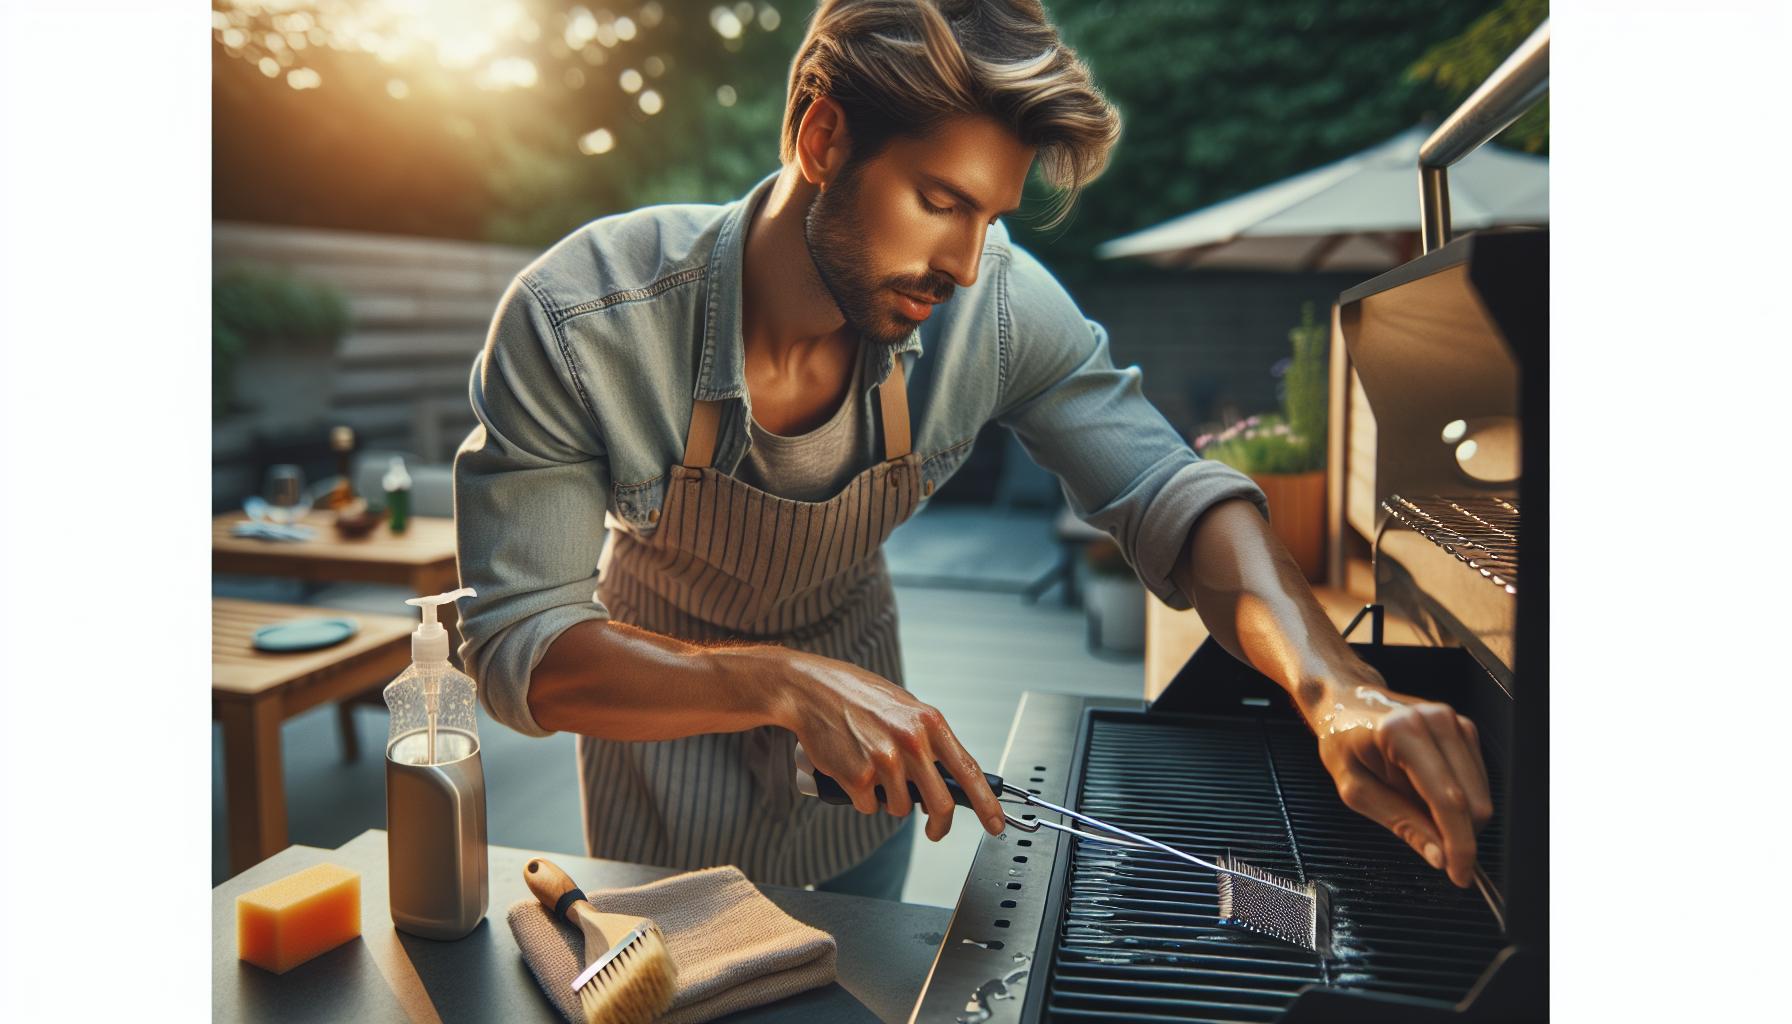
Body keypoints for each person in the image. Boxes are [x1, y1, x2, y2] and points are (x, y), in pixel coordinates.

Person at [453, 0, 1493, 902]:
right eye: (940, 201)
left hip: (864, 781)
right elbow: (520, 643)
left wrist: (1331, 682)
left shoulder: (991, 305)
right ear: (822, 138)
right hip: (652, 753)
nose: (961, 259)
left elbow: (1163, 485)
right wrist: (778, 682)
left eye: (989, 214)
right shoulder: (579, 318)